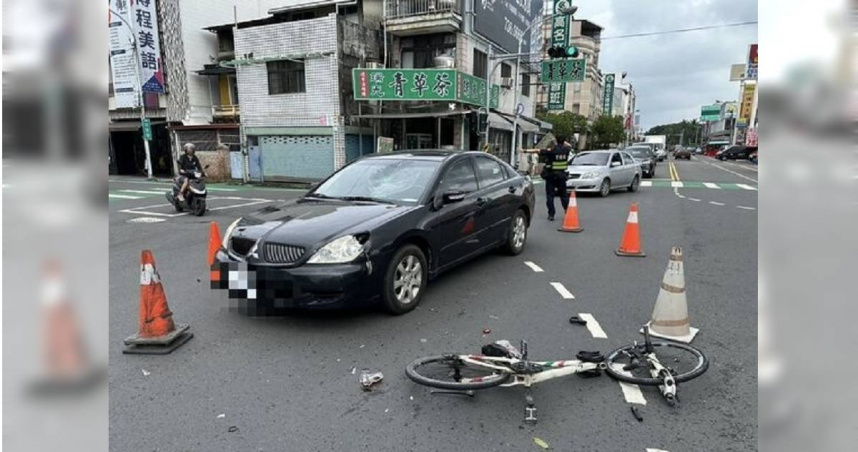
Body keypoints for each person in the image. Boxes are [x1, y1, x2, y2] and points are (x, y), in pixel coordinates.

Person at [522, 136, 571, 221]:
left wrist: (525, 150)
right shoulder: (566, 151)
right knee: (564, 195)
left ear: (556, 142)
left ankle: (551, 214)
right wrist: (562, 142)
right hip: (562, 176)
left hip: (551, 176)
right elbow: (569, 145)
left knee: (550, 196)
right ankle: (567, 210)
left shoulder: (551, 151)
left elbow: (537, 150)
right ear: (563, 142)